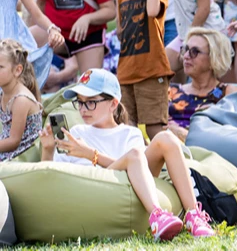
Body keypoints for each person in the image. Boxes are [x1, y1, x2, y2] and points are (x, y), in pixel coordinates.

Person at [39, 69, 215, 240]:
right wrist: (47, 149)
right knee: (135, 154)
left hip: (128, 186)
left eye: (91, 102)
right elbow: (54, 175)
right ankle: (157, 215)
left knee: (166, 138)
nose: (83, 109)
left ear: (113, 104)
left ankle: (194, 216)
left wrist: (91, 154)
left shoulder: (130, 134)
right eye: (80, 102)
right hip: (92, 189)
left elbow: (134, 170)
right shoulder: (77, 132)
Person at [114, 0, 172, 140]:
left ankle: (169, 166)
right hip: (126, 72)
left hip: (151, 71)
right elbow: (122, 32)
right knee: (126, 127)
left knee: (154, 129)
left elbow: (152, 11)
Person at [167, 28, 237, 141]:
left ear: (214, 58)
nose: (186, 56)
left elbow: (234, 134)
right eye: (185, 49)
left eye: (194, 51)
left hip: (207, 151)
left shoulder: (228, 93)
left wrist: (181, 133)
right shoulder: (171, 91)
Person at [0, 39, 42, 161]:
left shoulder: (21, 100)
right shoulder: (4, 92)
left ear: (17, 70)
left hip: (20, 157)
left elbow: (14, 141)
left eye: (0, 67)